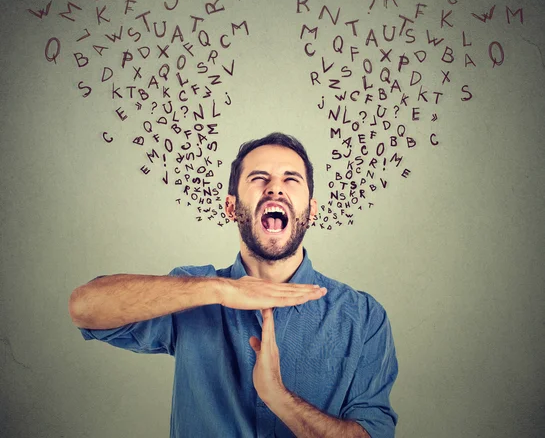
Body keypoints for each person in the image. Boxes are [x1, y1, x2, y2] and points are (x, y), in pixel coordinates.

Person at [69, 132, 398, 437]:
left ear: (310, 211)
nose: (275, 188)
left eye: (291, 179)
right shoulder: (192, 292)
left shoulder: (363, 316)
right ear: (231, 207)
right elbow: (84, 308)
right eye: (259, 178)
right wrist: (220, 290)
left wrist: (277, 397)